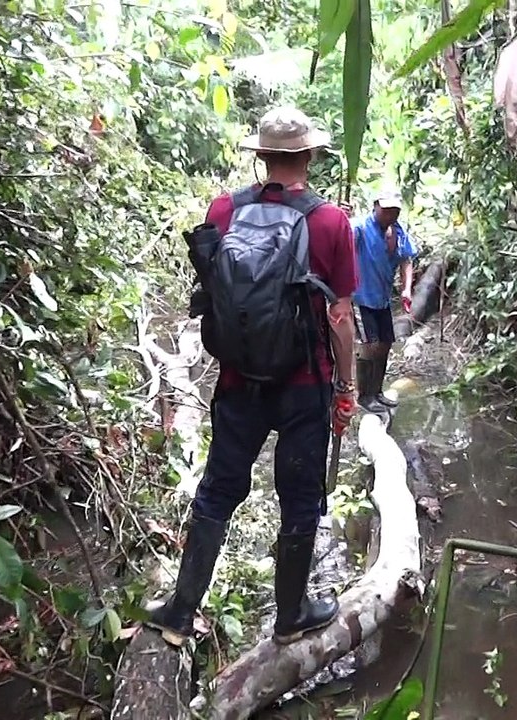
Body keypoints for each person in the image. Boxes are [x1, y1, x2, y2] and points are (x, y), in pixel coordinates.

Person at [147, 107, 359, 646]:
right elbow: (340, 317)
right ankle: (290, 615)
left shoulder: (224, 210)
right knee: (301, 496)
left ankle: (179, 608)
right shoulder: (331, 222)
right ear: (309, 156)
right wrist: (346, 389)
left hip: (238, 381)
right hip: (306, 385)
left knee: (219, 488)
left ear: (261, 157)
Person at [352, 191, 417, 413]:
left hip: (382, 298)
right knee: (368, 345)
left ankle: (377, 391)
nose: (391, 214)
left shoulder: (399, 232)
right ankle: (364, 396)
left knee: (386, 343)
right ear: (375, 206)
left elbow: (406, 259)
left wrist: (407, 289)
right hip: (360, 296)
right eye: (386, 209)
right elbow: (341, 243)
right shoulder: (359, 227)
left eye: (395, 210)